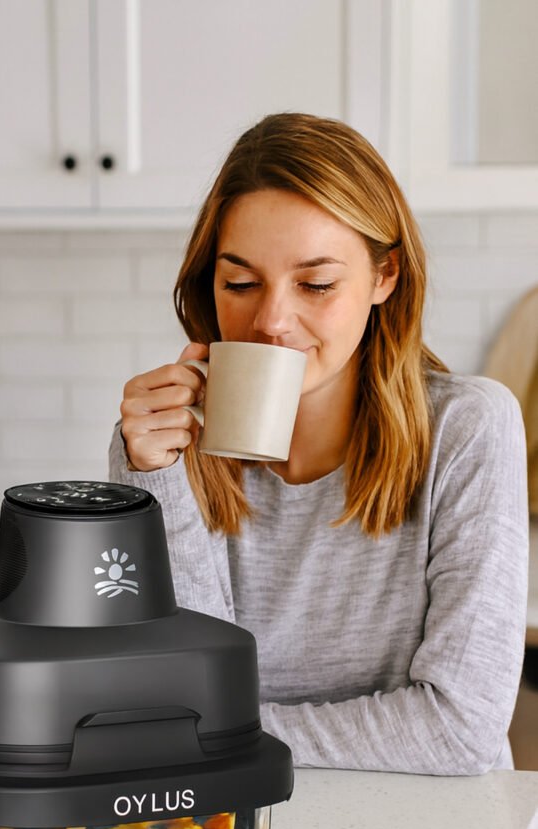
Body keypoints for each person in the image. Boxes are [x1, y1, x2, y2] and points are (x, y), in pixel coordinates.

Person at [108, 112, 528, 775]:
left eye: (316, 283)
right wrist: (151, 477)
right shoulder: (163, 442)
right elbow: (175, 696)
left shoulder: (466, 428)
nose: (271, 320)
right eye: (239, 283)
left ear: (383, 276)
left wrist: (217, 739)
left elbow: (460, 729)